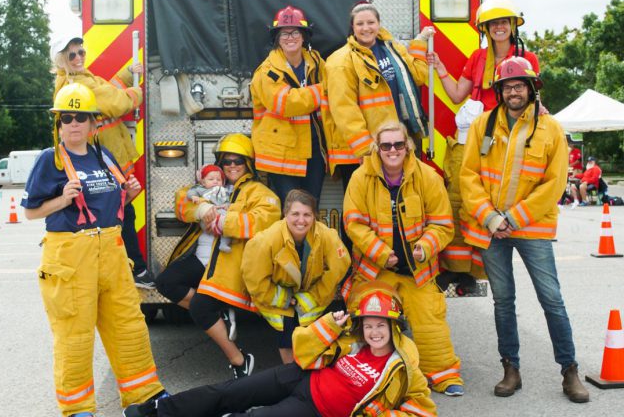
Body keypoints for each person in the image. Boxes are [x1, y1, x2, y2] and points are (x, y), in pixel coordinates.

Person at [21, 83, 167, 416]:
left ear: (93, 124)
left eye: (80, 118)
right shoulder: (50, 160)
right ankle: (78, 409)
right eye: (66, 118)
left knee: (128, 326)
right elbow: (31, 212)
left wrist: (129, 191)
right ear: (58, 124)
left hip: (111, 253)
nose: (73, 124)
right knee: (75, 336)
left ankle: (144, 398)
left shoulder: (104, 156)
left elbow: (110, 206)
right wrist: (62, 198)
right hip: (71, 258)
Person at [459, 56, 589, 403]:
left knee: (552, 301)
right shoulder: (483, 126)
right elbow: (468, 175)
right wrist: (490, 218)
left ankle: (569, 371)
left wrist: (512, 218)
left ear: (531, 89)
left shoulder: (551, 130)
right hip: (492, 229)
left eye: (519, 86)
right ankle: (510, 370)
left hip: (530, 229)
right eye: (507, 87)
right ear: (499, 91)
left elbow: (555, 182)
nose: (513, 92)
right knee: (503, 302)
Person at [123, 281, 437, 417]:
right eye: (369, 325)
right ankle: (159, 411)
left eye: (381, 325)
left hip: (316, 409)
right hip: (299, 377)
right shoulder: (351, 341)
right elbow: (303, 351)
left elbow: (424, 409)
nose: (375, 331)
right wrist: (328, 325)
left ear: (394, 327)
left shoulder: (403, 362)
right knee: (228, 392)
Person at [427, 0, 542, 291]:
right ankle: (457, 268)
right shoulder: (478, 59)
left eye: (504, 22)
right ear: (485, 29)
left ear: (513, 26)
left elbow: (533, 99)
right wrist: (439, 67)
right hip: (476, 138)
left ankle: (483, 268)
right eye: (493, 24)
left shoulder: (528, 59)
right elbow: (456, 95)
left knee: (490, 204)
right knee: (460, 200)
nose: (499, 28)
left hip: (508, 142)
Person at [343, 121, 463, 397]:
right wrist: (382, 254)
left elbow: (443, 224)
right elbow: (354, 224)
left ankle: (443, 376)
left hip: (418, 270)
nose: (393, 150)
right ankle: (366, 375)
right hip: (375, 270)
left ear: (408, 146)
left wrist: (424, 247)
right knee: (369, 321)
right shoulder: (361, 178)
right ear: (377, 148)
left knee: (430, 322)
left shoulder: (428, 178)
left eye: (398, 144)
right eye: (386, 145)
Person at [155, 133, 280, 378]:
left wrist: (224, 221)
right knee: (165, 282)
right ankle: (220, 316)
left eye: (238, 161)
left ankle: (239, 360)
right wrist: (201, 208)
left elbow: (265, 220)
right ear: (219, 164)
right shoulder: (207, 186)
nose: (232, 166)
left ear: (249, 164)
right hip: (201, 260)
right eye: (227, 162)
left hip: (227, 263)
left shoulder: (257, 190)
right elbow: (182, 201)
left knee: (201, 308)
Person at [51, 36, 154, 288]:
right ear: (61, 61)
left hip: (99, 154)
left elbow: (108, 88)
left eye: (81, 51)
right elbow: (117, 102)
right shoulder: (79, 84)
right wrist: (137, 93)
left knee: (118, 212)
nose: (79, 57)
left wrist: (128, 74)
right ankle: (135, 270)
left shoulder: (79, 80)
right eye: (72, 55)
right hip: (102, 156)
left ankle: (124, 269)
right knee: (121, 212)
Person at [322, 2, 433, 192]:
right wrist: (366, 150)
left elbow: (417, 75)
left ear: (379, 24)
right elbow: (344, 110)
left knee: (393, 204)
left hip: (393, 146)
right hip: (362, 152)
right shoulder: (340, 61)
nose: (366, 28)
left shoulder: (393, 50)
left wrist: (420, 43)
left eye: (371, 22)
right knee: (360, 206)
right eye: (360, 24)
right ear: (353, 28)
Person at [242, 189, 351, 364]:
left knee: (310, 333)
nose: (301, 220)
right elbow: (255, 281)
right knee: (287, 326)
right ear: (285, 214)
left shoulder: (326, 236)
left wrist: (313, 295)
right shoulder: (265, 241)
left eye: (307, 215)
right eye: (295, 214)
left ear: (315, 216)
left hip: (311, 294)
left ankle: (307, 369)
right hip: (276, 297)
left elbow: (340, 266)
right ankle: (290, 373)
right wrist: (285, 299)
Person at [250, 5, 327, 205]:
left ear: (304, 36)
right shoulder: (266, 71)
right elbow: (286, 103)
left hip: (313, 150)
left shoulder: (316, 61)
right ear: (277, 39)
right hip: (281, 154)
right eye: (284, 33)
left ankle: (310, 238)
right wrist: (323, 90)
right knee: (292, 209)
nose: (290, 37)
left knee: (312, 206)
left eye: (295, 32)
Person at [187, 164, 232, 252]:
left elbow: (227, 201)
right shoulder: (201, 189)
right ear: (203, 182)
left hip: (221, 212)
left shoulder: (224, 191)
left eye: (218, 180)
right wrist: (193, 197)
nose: (215, 181)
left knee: (228, 225)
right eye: (211, 179)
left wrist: (227, 205)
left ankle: (224, 244)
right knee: (218, 223)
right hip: (208, 216)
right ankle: (216, 230)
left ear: (223, 183)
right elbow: (190, 192)